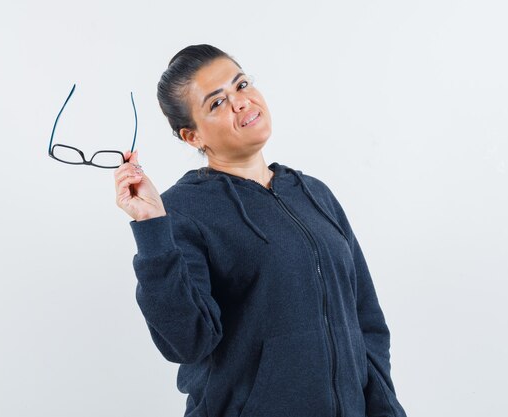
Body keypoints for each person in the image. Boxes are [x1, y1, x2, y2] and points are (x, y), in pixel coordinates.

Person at [114, 44, 407, 417]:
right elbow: (186, 342)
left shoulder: (314, 194)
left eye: (242, 84)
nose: (240, 102)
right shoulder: (182, 210)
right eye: (216, 103)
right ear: (192, 136)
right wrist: (153, 228)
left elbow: (366, 321)